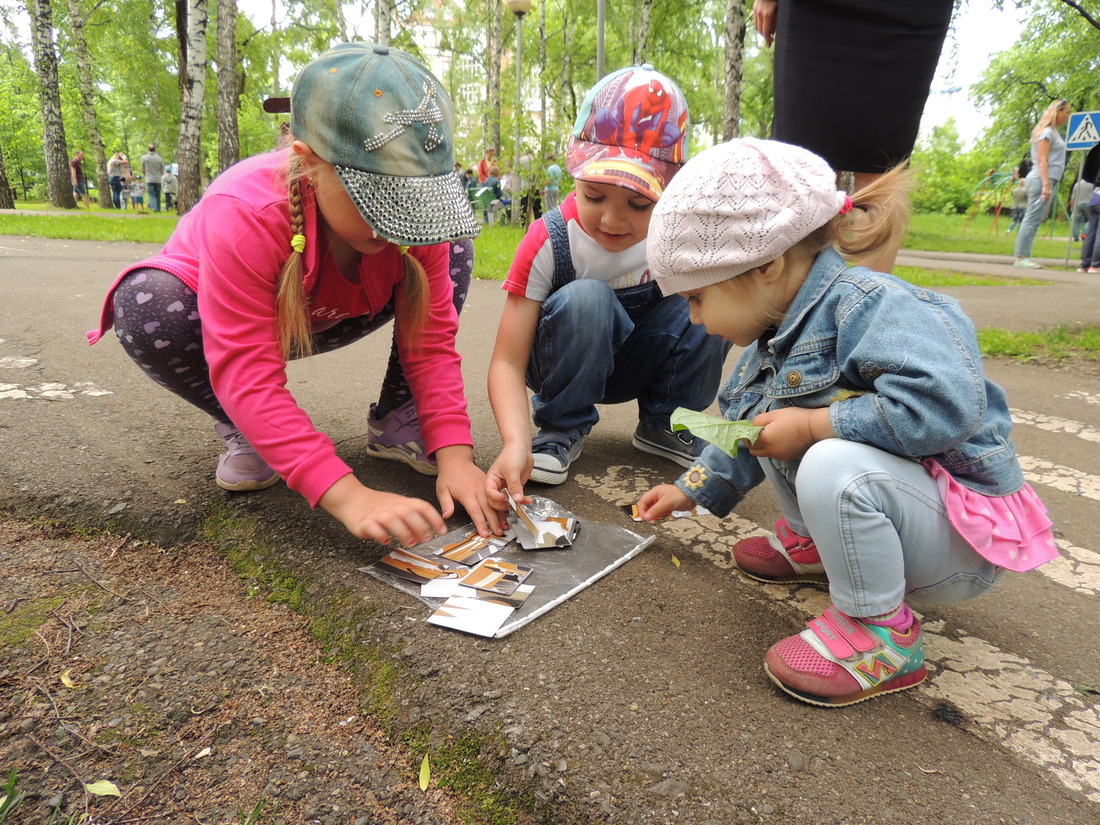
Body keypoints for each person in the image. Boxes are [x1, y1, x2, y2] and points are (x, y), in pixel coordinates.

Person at [636, 138, 1056, 708]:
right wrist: (691, 490)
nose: (692, 317)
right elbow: (745, 430)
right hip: (909, 509)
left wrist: (814, 428)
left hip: (963, 537)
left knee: (827, 453)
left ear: (767, 266)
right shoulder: (776, 334)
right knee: (777, 427)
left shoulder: (873, 305)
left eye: (696, 297)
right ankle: (817, 547)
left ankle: (881, 632)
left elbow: (947, 407)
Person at [87, 42, 500, 546]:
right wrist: (349, 496)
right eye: (379, 199)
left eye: (414, 199)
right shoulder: (244, 210)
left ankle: (399, 417)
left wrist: (455, 456)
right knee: (146, 302)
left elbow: (431, 344)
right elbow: (244, 366)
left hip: (328, 313)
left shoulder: (411, 228)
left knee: (450, 244)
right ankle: (248, 427)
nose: (400, 225)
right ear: (308, 161)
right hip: (216, 322)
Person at [485, 65, 730, 500]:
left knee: (711, 300)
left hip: (637, 361)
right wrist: (516, 442)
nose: (613, 220)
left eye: (639, 204)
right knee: (587, 298)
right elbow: (507, 360)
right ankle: (561, 427)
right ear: (575, 176)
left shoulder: (677, 238)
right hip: (562, 364)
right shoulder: (548, 239)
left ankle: (666, 421)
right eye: (594, 196)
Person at [752, 0, 954, 273]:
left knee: (883, 168)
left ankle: (866, 310)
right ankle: (796, 312)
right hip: (813, 13)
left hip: (910, 11)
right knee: (802, 168)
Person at [1014, 99, 1072, 269]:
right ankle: (1021, 257)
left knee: (1035, 218)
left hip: (1047, 179)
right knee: (1031, 218)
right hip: (1041, 179)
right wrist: (1046, 185)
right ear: (1058, 111)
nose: (1068, 116)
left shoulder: (1053, 132)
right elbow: (1042, 160)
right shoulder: (1047, 133)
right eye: (1066, 112)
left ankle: (1024, 255)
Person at [141, 144, 166, 212]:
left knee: (151, 194)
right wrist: (160, 174)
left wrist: (145, 174)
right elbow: (162, 169)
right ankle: (158, 208)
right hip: (158, 179)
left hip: (149, 179)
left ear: (148, 149)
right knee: (158, 194)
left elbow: (143, 168)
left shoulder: (144, 158)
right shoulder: (159, 158)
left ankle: (154, 207)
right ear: (155, 149)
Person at [1070, 176, 1093, 242]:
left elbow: (1073, 197)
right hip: (1089, 204)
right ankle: (1084, 233)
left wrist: (1072, 207)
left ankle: (1076, 237)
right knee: (1089, 220)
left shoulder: (1077, 184)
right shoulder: (1092, 185)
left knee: (1076, 221)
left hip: (1078, 204)